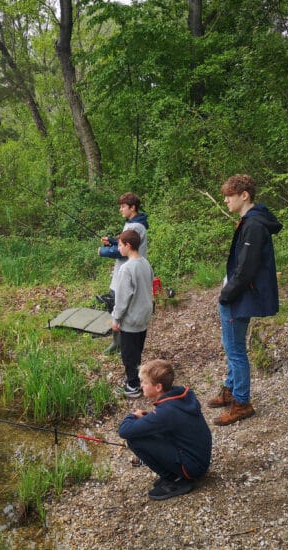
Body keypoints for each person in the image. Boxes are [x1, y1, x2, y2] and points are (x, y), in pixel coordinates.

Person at [208, 174, 282, 426]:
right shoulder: (250, 221)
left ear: (244, 195)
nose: (226, 200)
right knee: (232, 344)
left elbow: (247, 268)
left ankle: (241, 403)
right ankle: (230, 388)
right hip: (239, 294)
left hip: (239, 296)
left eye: (229, 196)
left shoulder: (253, 225)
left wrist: (226, 294)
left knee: (235, 350)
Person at [118, 359, 212, 501]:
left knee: (134, 439)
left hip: (192, 468)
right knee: (150, 431)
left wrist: (133, 416)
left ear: (158, 387)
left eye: (144, 382)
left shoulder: (166, 412)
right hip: (199, 459)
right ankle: (176, 474)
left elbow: (124, 431)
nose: (141, 385)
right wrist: (149, 419)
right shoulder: (182, 395)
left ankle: (175, 479)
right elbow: (172, 421)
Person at [97, 193, 149, 354]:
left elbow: (123, 250)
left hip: (128, 272)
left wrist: (103, 251)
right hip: (122, 271)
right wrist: (113, 241)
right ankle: (116, 342)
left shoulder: (136, 226)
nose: (120, 209)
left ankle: (124, 344)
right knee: (114, 303)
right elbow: (125, 242)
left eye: (123, 206)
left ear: (132, 208)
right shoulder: (131, 223)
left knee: (122, 306)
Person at [111, 229, 154, 398]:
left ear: (128, 246)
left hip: (131, 319)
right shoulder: (145, 263)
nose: (119, 248)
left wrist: (116, 318)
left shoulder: (126, 269)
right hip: (144, 316)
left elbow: (122, 299)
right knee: (137, 350)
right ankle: (138, 379)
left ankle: (132, 386)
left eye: (120, 245)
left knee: (129, 354)